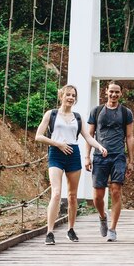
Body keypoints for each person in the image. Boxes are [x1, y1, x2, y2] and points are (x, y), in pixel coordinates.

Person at [36, 84, 107, 245]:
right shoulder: (51, 114)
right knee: (56, 193)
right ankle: (50, 232)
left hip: (73, 154)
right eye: (68, 94)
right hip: (56, 153)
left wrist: (100, 146)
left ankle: (71, 229)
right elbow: (38, 136)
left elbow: (88, 137)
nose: (70, 98)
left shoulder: (78, 117)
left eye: (73, 95)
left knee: (72, 196)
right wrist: (57, 144)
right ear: (61, 96)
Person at [85, 81, 134, 242]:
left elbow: (129, 136)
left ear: (121, 94)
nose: (113, 95)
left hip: (118, 156)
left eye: (117, 92)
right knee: (97, 196)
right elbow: (89, 135)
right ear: (106, 92)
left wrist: (131, 160)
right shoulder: (97, 111)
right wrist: (87, 156)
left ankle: (113, 228)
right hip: (100, 157)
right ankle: (102, 217)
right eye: (111, 91)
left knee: (116, 191)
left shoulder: (126, 113)